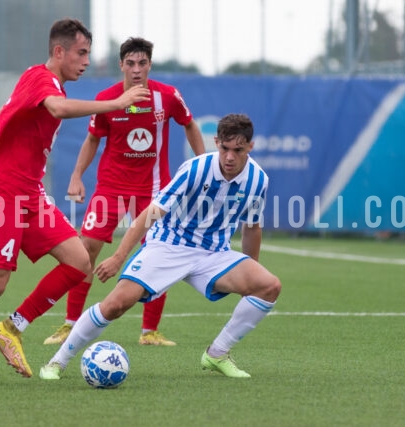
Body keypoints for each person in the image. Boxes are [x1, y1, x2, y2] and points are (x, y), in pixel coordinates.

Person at [0, 18, 150, 386]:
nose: (85, 61)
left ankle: (11, 328)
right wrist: (117, 102)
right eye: (81, 53)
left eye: (88, 54)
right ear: (58, 51)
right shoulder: (43, 80)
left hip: (28, 191)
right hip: (4, 190)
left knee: (79, 261)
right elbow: (57, 109)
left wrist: (3, 128)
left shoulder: (38, 81)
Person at [39, 113, 281, 380]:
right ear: (216, 142)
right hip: (168, 245)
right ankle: (57, 362)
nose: (229, 157)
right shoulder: (195, 169)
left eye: (238, 150)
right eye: (224, 148)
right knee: (116, 305)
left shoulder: (258, 180)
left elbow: (252, 226)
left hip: (213, 254)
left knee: (268, 286)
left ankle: (217, 353)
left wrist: (250, 272)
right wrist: (120, 256)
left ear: (250, 147)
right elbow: (151, 213)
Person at [43, 37, 205, 347]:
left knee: (159, 253)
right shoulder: (107, 99)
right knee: (85, 250)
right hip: (111, 189)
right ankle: (70, 324)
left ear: (149, 65)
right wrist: (77, 175)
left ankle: (149, 331)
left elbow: (190, 125)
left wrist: (200, 166)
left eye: (142, 63)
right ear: (121, 65)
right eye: (130, 63)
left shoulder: (168, 96)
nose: (136, 69)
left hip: (155, 190)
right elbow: (92, 140)